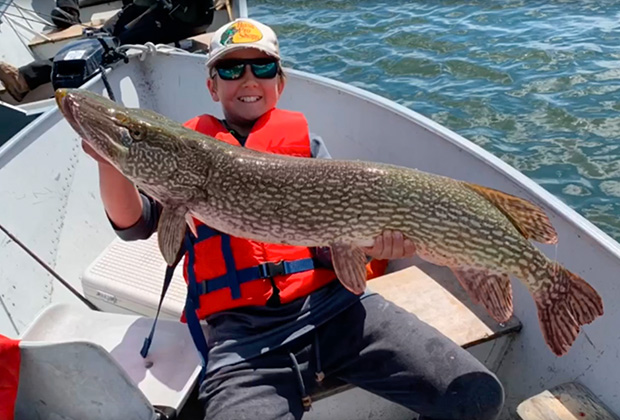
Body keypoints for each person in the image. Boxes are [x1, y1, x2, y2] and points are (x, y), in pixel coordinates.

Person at [82, 18, 505, 420]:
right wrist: (110, 160)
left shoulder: (309, 149)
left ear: (279, 83)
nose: (247, 79)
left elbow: (333, 243)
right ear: (212, 86)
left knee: (477, 394)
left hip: (338, 310)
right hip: (244, 338)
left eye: (262, 66)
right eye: (230, 69)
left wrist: (372, 246)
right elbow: (133, 224)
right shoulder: (184, 158)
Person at [0, 0, 213, 102]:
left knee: (109, 44)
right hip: (149, 6)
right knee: (99, 37)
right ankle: (26, 77)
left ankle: (26, 79)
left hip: (181, 13)